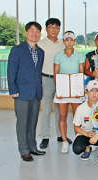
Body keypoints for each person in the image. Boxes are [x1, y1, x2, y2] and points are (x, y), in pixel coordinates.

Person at [7, 21, 46, 162]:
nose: (34, 34)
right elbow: (11, 70)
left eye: (37, 31)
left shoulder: (41, 52)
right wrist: (13, 89)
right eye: (32, 30)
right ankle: (24, 150)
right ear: (26, 33)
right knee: (22, 122)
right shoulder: (17, 50)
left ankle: (32, 146)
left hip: (36, 92)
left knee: (33, 121)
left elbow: (37, 72)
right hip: (21, 92)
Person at [38, 18, 69, 149]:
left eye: (57, 27)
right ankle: (45, 137)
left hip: (61, 80)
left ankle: (60, 135)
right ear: (46, 29)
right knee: (45, 110)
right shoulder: (40, 44)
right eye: (51, 27)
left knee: (60, 111)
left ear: (59, 29)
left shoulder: (64, 43)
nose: (54, 30)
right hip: (46, 79)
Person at [53, 31, 85, 153]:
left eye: (72, 40)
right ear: (64, 41)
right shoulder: (58, 55)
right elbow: (56, 73)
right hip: (63, 90)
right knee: (62, 116)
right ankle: (64, 141)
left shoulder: (79, 55)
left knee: (77, 117)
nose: (69, 42)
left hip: (76, 91)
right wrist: (59, 89)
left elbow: (81, 73)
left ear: (74, 41)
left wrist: (79, 90)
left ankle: (78, 140)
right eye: (67, 40)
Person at [72, 80, 98, 164]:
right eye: (91, 91)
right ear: (86, 91)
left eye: (96, 91)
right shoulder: (81, 108)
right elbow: (76, 127)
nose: (94, 94)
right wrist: (87, 134)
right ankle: (87, 148)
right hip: (86, 134)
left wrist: (97, 134)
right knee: (77, 149)